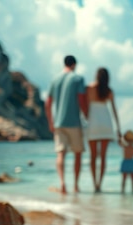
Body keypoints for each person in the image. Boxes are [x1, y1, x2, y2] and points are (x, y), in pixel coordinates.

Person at [45, 55, 88, 194]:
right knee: (77, 153)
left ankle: (63, 183)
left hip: (58, 122)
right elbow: (81, 99)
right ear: (74, 64)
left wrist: (51, 121)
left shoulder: (55, 79)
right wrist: (87, 115)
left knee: (60, 154)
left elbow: (48, 103)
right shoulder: (78, 79)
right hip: (74, 121)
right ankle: (76, 185)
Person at [86, 67, 121, 193]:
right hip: (106, 123)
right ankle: (100, 184)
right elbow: (114, 110)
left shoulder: (89, 88)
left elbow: (85, 106)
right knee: (103, 157)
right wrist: (118, 128)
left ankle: (94, 183)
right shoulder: (109, 91)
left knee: (93, 156)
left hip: (93, 123)